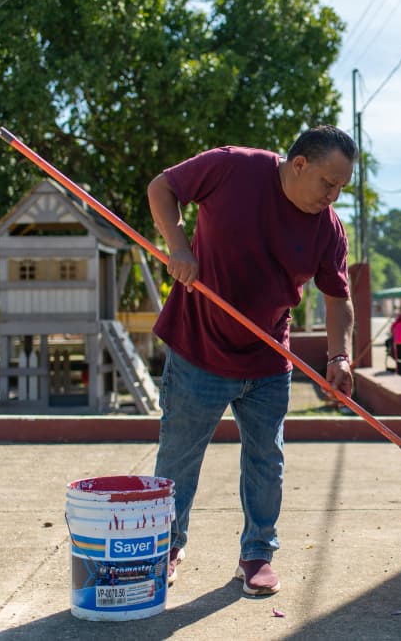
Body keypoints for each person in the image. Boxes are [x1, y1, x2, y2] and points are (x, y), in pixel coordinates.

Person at [149, 125, 357, 595]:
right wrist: (178, 247)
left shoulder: (328, 229)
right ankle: (166, 546)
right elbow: (161, 188)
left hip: (268, 358)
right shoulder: (233, 166)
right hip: (197, 348)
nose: (333, 195)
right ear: (298, 163)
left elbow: (337, 297)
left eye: (342, 187)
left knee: (267, 459)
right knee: (179, 457)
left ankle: (258, 552)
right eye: (328, 182)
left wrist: (339, 356)